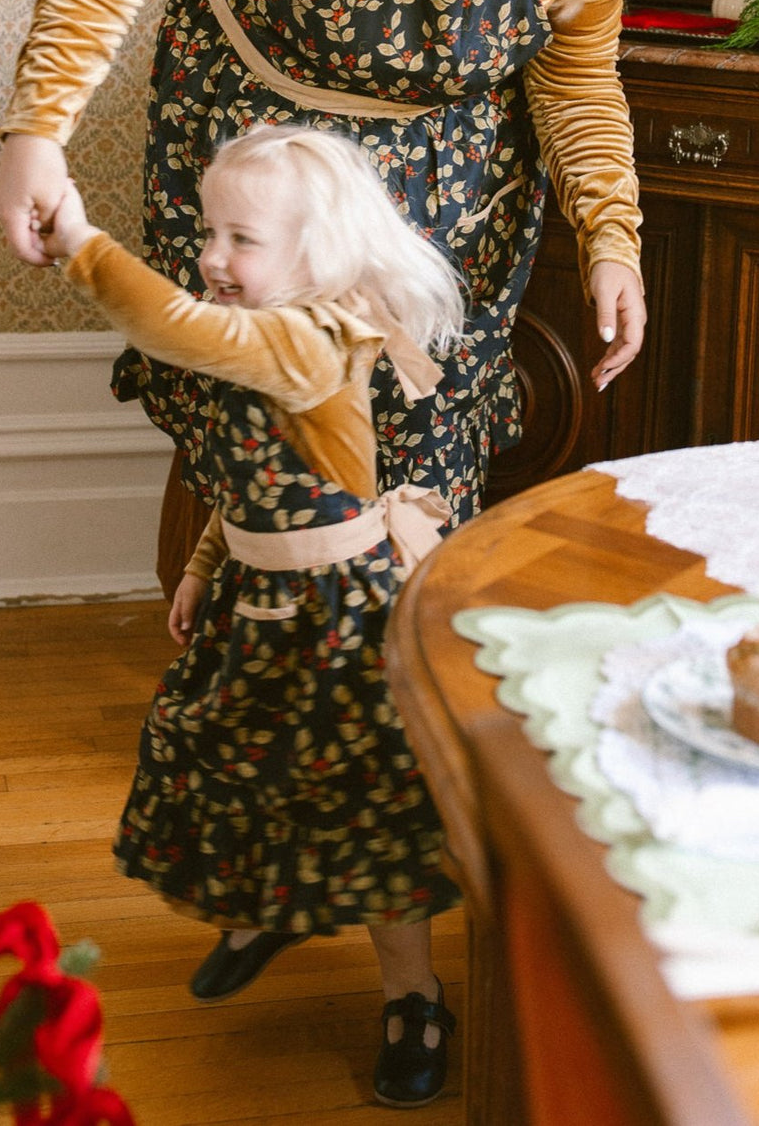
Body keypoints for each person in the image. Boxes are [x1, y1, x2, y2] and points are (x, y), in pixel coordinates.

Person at [0, 0, 648, 595]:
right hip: (271, 151)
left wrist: (612, 235)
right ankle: (228, 655)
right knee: (259, 402)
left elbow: (575, 78)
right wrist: (38, 129)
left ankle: (392, 680)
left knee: (424, 418)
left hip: (449, 179)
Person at [40, 123, 465, 1108]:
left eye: (241, 240)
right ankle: (270, 906)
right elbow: (253, 483)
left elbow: (183, 326)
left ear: (317, 258)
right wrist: (203, 560)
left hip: (336, 618)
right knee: (242, 767)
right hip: (256, 596)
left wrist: (80, 241)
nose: (210, 259)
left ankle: (415, 999)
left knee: (368, 813)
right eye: (208, 232)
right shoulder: (269, 333)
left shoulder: (309, 338)